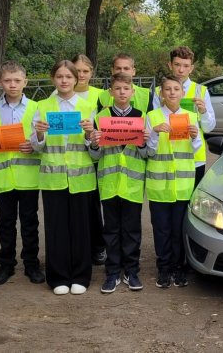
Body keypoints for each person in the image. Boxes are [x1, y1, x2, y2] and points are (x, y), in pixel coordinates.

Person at [31, 60, 97, 295]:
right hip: (54, 177)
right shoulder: (42, 105)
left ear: (76, 79)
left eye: (68, 76)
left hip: (81, 177)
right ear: (53, 79)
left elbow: (95, 148)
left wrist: (91, 134)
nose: (64, 80)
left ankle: (80, 275)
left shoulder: (89, 106)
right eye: (59, 76)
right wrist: (39, 133)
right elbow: (37, 147)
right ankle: (58, 277)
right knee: (56, 228)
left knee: (81, 229)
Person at [0, 62, 45, 286]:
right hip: (3, 177)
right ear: (0, 83)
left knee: (29, 221)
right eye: (7, 80)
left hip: (28, 177)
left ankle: (31, 263)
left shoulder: (37, 108)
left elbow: (42, 140)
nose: (12, 85)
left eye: (17, 80)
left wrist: (33, 145)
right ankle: (6, 264)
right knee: (5, 222)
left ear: (25, 82)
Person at [89, 73, 150, 293]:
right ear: (110, 92)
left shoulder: (142, 116)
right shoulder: (101, 117)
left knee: (132, 230)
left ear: (133, 92)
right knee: (111, 230)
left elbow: (147, 153)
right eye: (117, 88)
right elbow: (95, 157)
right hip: (109, 183)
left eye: (126, 88)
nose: (122, 92)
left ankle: (131, 272)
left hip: (132, 184)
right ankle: (112, 272)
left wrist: (144, 142)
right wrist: (94, 144)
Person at [145, 74, 200, 289]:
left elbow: (196, 151)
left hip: (183, 185)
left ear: (182, 93)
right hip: (160, 185)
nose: (172, 93)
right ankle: (164, 268)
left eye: (176, 89)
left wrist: (195, 137)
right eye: (167, 89)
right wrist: (155, 133)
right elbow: (148, 151)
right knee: (161, 229)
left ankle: (179, 267)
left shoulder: (191, 117)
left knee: (179, 229)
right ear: (161, 94)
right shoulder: (152, 116)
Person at [153, 46, 215, 185]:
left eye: (185, 66)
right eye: (177, 65)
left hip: (194, 158)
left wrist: (203, 112)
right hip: (166, 157)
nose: (181, 70)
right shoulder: (158, 92)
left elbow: (209, 128)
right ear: (170, 65)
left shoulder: (201, 91)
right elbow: (154, 124)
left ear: (191, 68)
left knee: (191, 204)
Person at [72, 54, 107, 266]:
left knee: (95, 204)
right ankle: (80, 246)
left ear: (92, 73)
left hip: (95, 155)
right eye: (77, 71)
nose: (81, 75)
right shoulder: (59, 93)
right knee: (79, 206)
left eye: (85, 71)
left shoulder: (101, 95)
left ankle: (98, 246)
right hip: (72, 158)